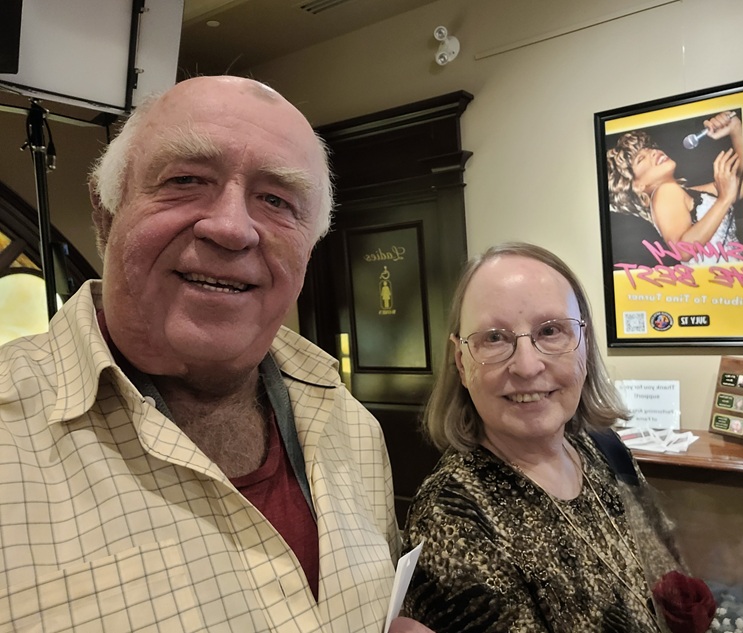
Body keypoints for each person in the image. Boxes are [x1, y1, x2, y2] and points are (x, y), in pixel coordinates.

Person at [0, 75, 430, 632]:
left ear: (309, 247)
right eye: (186, 180)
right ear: (105, 214)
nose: (231, 228)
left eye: (276, 200)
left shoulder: (353, 427)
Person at [401, 242, 697, 633]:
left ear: (584, 345)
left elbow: (664, 573)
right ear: (461, 362)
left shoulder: (604, 447)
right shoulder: (453, 517)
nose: (527, 366)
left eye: (551, 331)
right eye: (494, 338)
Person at [606, 111, 743, 266]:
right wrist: (724, 200)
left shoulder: (685, 194)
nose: (653, 152)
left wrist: (735, 128)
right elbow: (683, 251)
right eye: (641, 158)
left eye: (649, 148)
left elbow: (741, 186)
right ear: (637, 186)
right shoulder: (665, 191)